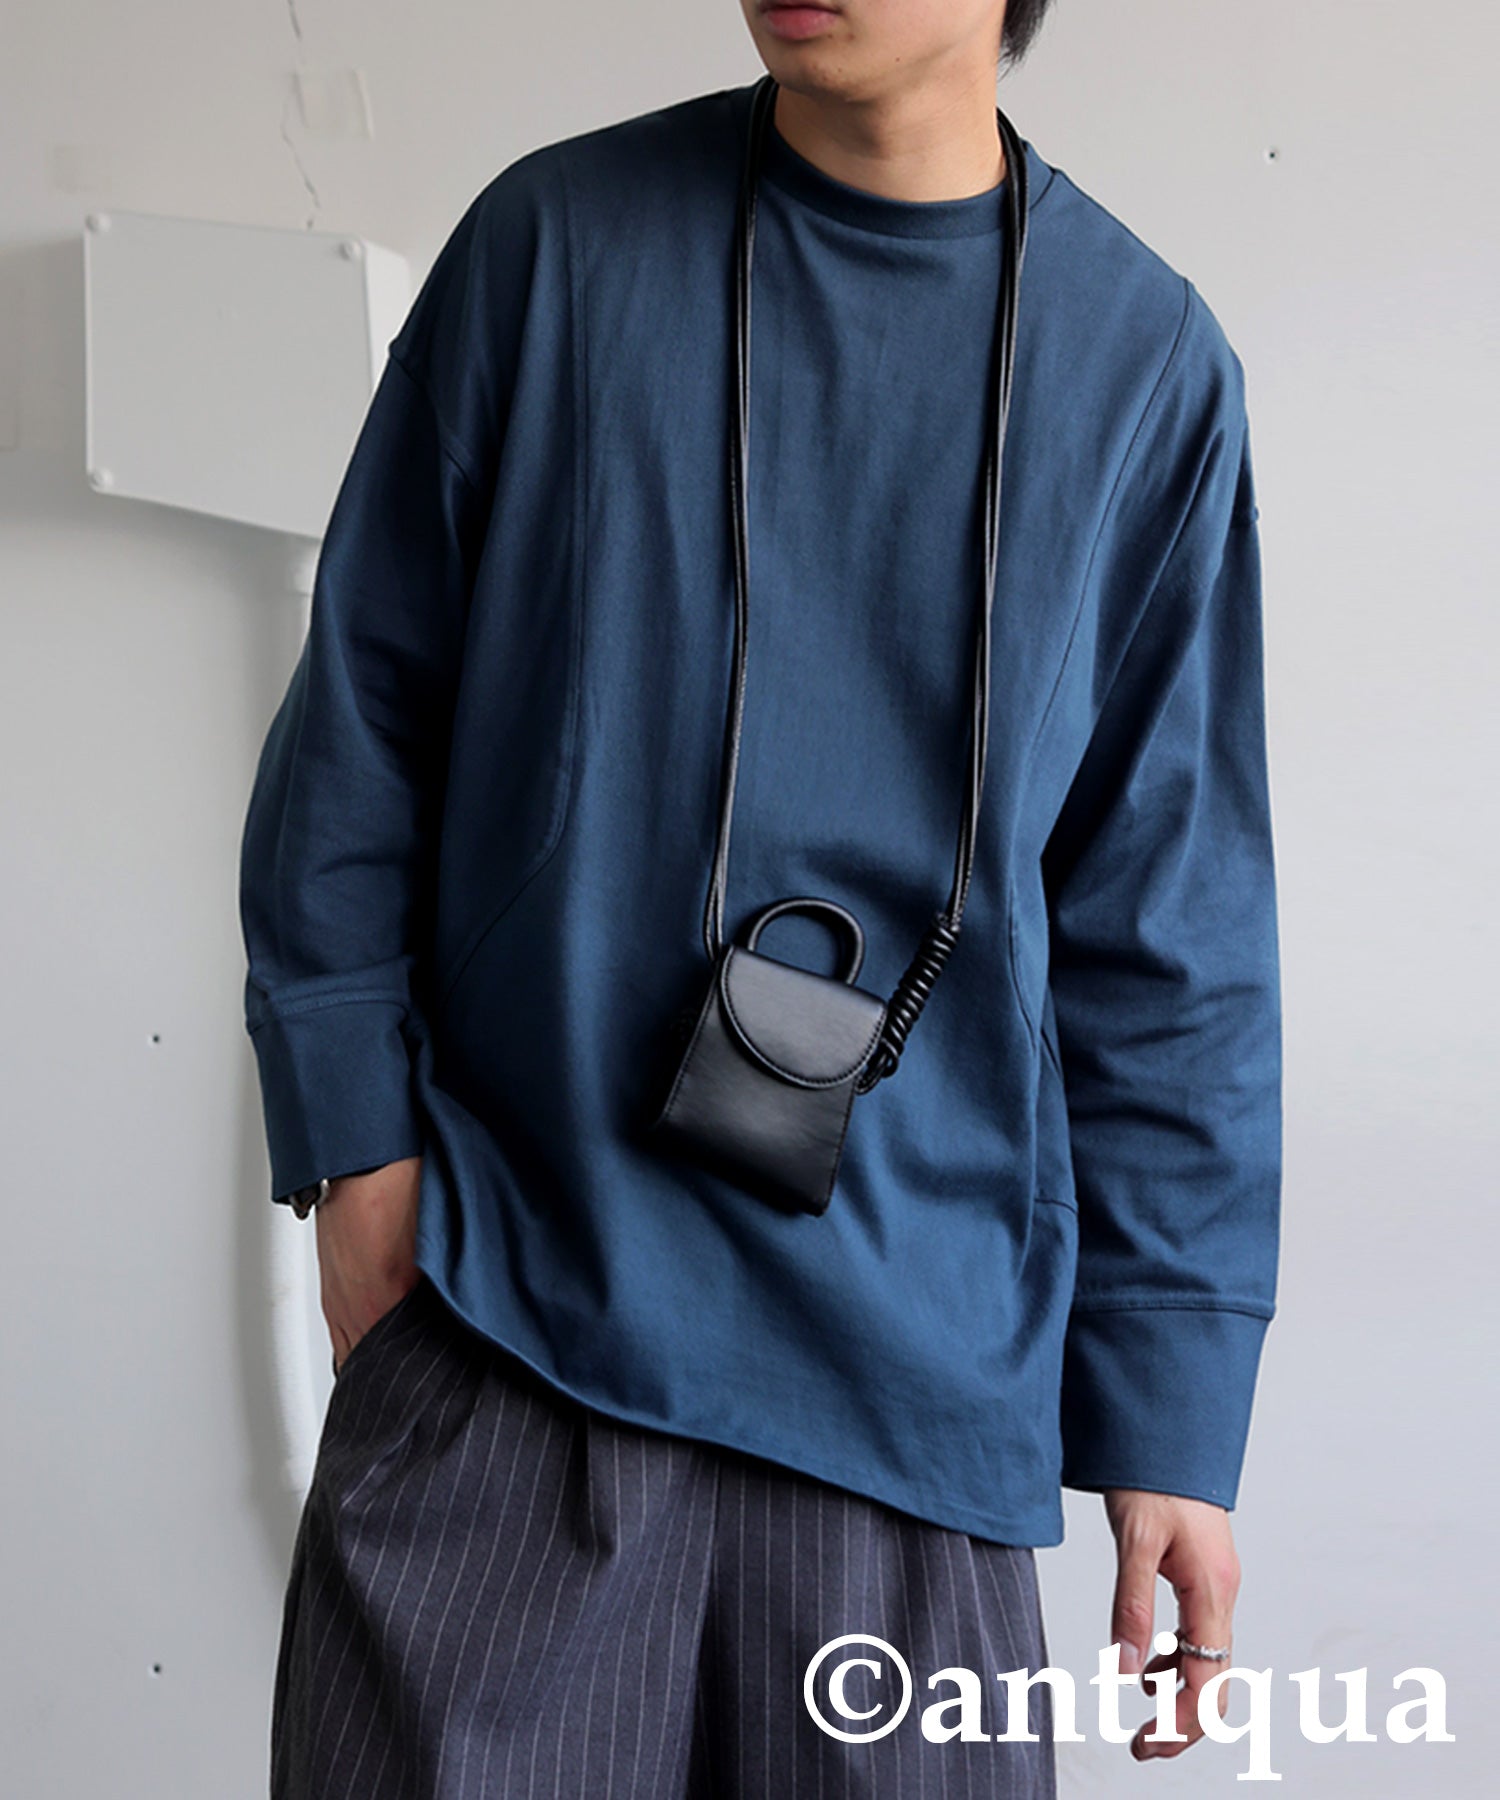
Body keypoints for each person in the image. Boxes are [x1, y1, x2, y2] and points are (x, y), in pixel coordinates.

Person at [240, 2, 1281, 1794]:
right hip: (511, 1327)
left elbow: (1169, 921)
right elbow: (362, 718)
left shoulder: (1145, 364)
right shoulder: (555, 246)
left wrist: (1171, 1408)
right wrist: (357, 1157)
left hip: (915, 1426)